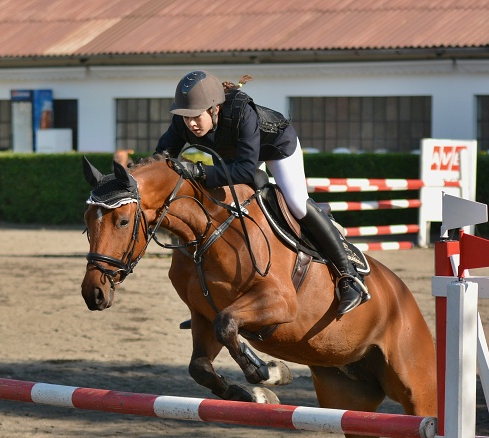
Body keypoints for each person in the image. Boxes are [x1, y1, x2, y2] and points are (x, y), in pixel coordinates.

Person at [155, 70, 367, 315]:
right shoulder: (183, 121)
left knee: (296, 203)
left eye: (195, 116)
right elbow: (161, 159)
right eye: (185, 116)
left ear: (214, 109)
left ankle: (348, 275)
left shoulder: (242, 113)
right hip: (238, 158)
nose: (190, 123)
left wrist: (198, 171)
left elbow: (245, 171)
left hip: (277, 147)